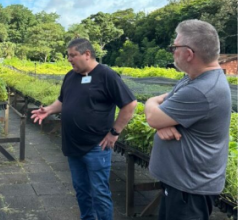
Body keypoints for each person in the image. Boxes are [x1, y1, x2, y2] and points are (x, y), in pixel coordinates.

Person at [31, 38, 137, 220]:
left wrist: (114, 132)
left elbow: (130, 104)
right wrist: (48, 109)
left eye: (73, 55)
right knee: (81, 190)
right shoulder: (71, 75)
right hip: (73, 145)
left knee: (99, 192)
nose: (69, 59)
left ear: (87, 54)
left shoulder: (107, 75)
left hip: (96, 146)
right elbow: (63, 101)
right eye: (68, 56)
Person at [145, 19, 231, 220]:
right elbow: (161, 112)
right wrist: (160, 123)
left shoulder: (202, 90)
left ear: (189, 54)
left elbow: (153, 115)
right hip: (182, 186)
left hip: (189, 192)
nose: (172, 51)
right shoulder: (192, 78)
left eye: (174, 47)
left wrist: (155, 111)